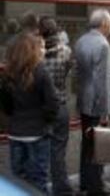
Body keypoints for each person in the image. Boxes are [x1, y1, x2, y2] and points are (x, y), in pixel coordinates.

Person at [0, 33, 58, 193]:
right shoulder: (41, 71)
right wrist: (45, 122)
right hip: (37, 135)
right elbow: (53, 104)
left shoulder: (8, 73)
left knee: (18, 180)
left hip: (16, 133)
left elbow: (5, 106)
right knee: (39, 181)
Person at [75, 9, 110, 196]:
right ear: (104, 24)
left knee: (87, 145)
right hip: (96, 103)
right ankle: (97, 187)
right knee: (98, 145)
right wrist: (104, 112)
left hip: (84, 100)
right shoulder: (103, 45)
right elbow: (102, 81)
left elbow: (80, 75)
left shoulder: (81, 40)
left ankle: (85, 183)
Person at [39, 17, 74, 196]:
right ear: (57, 31)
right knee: (58, 150)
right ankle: (62, 188)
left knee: (40, 151)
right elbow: (68, 70)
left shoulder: (35, 53)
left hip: (40, 109)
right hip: (60, 105)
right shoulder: (66, 51)